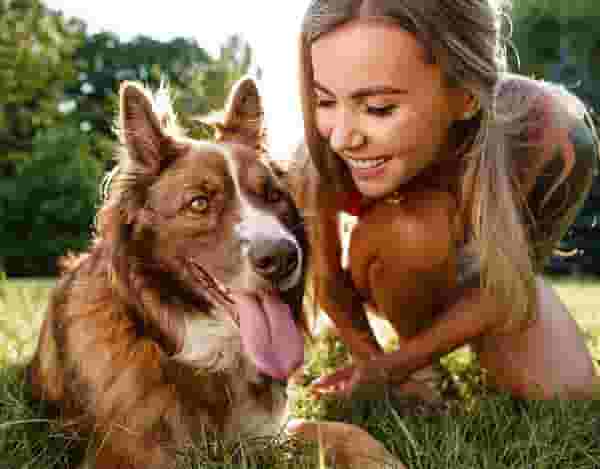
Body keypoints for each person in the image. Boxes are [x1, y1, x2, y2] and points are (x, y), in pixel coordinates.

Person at [290, 0, 600, 400]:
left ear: (465, 97)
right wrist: (374, 364)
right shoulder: (315, 161)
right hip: (390, 270)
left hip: (491, 276)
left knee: (568, 391)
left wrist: (395, 367)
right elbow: (329, 282)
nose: (343, 137)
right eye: (325, 101)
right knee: (414, 231)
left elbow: (508, 282)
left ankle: (424, 355)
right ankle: (421, 365)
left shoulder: (553, 136)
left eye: (378, 108)